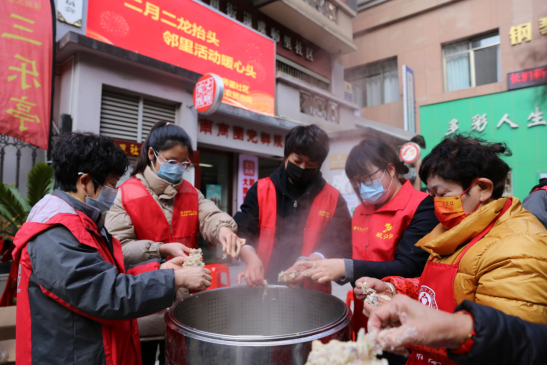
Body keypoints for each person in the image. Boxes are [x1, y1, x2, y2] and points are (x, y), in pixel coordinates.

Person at [11, 132, 212, 365]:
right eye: (111, 184)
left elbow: (108, 276)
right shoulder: (55, 234)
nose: (114, 192)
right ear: (85, 181)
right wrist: (172, 279)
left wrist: (162, 268)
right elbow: (105, 293)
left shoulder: (83, 221)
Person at [357, 134, 547, 365]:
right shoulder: (459, 228)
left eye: (443, 194)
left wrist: (412, 330)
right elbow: (442, 291)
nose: (435, 203)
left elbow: (503, 343)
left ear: (482, 188)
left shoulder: (519, 248)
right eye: (432, 194)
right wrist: (394, 290)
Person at [105, 121, 241, 364]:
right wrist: (159, 248)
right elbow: (117, 250)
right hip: (143, 307)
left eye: (184, 163)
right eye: (171, 161)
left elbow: (210, 215)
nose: (178, 168)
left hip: (183, 306)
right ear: (151, 154)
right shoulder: (125, 194)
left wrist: (223, 228)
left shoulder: (190, 192)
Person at [301, 138, 439, 364]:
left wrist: (345, 267)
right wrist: (318, 261)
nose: (363, 187)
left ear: (391, 169)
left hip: (401, 321)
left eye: (367, 179)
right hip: (365, 320)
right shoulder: (361, 211)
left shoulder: (421, 206)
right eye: (357, 182)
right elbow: (349, 252)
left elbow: (409, 266)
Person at [234, 124, 352, 293]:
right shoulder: (261, 189)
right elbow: (243, 229)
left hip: (313, 291)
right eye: (297, 161)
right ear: (286, 156)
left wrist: (311, 261)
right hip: (261, 287)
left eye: (310, 164)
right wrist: (250, 258)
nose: (303, 168)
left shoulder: (332, 198)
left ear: (319, 164)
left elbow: (339, 241)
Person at [368, 294, 547, 365]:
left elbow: (522, 343)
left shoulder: (518, 243)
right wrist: (395, 290)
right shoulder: (445, 232)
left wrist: (456, 330)